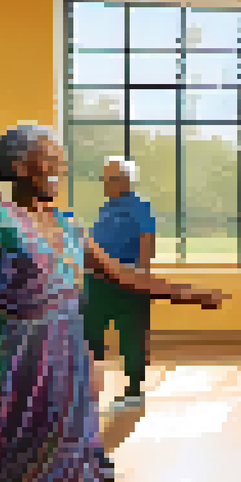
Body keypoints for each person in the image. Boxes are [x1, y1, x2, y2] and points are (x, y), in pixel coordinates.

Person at [0, 124, 226, 482]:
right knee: (2, 442)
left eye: (58, 157)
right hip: (18, 352)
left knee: (74, 444)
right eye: (47, 156)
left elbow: (121, 274)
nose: (58, 165)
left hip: (68, 348)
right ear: (19, 166)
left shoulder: (69, 223)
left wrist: (187, 293)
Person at [84, 157, 156, 411]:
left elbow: (147, 240)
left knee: (131, 336)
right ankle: (87, 391)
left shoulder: (140, 206)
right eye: (104, 179)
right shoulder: (107, 208)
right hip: (98, 282)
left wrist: (140, 278)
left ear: (124, 181)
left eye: (110, 179)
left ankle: (134, 391)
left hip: (126, 282)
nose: (105, 184)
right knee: (90, 335)